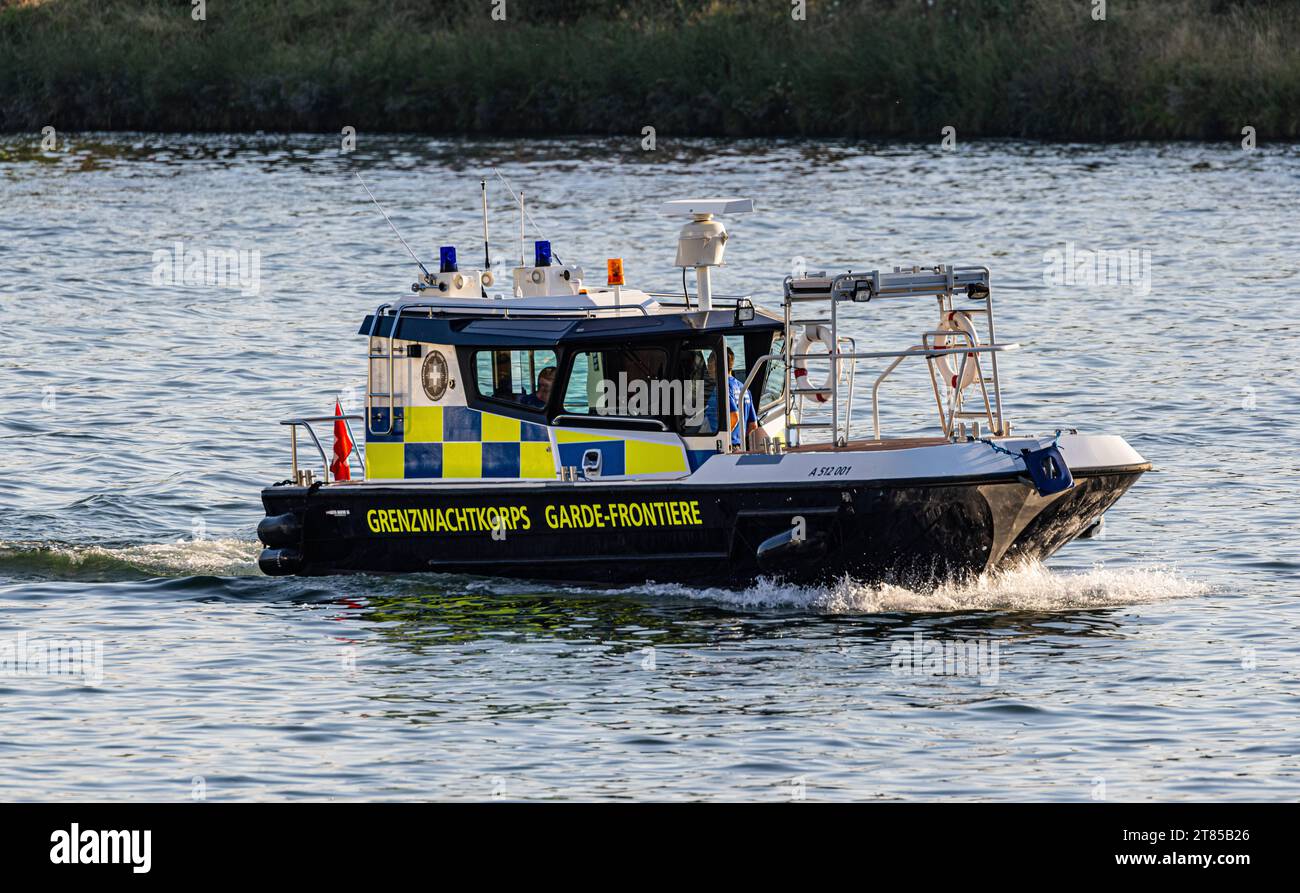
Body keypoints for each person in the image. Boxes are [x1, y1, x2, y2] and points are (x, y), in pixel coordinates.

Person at [705, 347, 757, 449]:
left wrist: (721, 441)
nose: (707, 367)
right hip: (739, 447)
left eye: (709, 363)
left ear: (717, 365)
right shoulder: (744, 389)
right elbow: (753, 426)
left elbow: (734, 416)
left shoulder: (722, 388)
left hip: (723, 447)